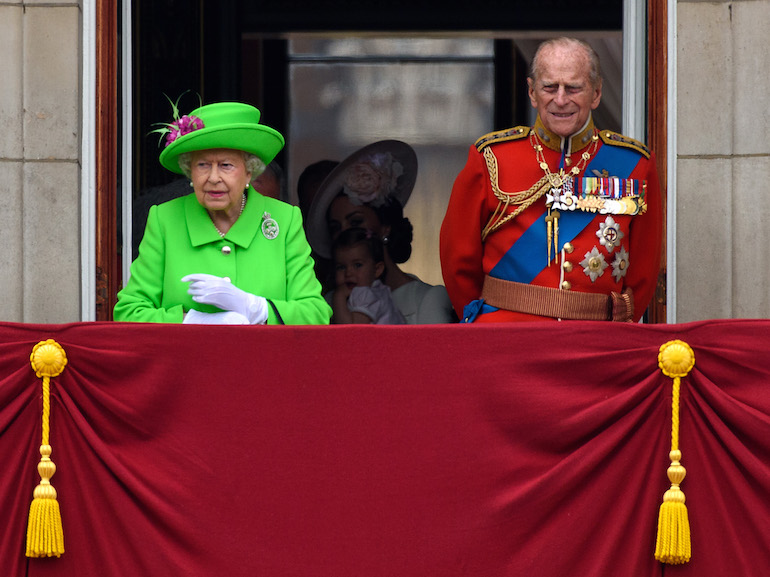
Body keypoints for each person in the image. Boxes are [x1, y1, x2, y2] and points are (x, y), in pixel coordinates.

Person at [440, 37, 662, 323]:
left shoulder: (635, 164)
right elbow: (458, 263)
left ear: (596, 93)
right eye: (549, 87)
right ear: (532, 92)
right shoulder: (492, 158)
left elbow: (642, 275)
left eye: (573, 88)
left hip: (595, 341)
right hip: (506, 338)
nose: (560, 100)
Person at [114, 101, 331, 325]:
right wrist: (190, 321)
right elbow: (129, 312)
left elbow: (315, 314)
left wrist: (255, 308)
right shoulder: (165, 220)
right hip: (187, 359)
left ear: (249, 173)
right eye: (203, 165)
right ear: (190, 173)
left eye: (226, 165)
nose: (214, 178)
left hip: (262, 359)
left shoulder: (284, 220)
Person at [306, 140, 456, 325]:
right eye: (336, 228)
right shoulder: (326, 303)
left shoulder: (427, 298)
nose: (346, 232)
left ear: (386, 225)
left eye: (356, 222)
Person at [331, 227, 405, 325]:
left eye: (358, 265)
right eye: (341, 267)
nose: (348, 273)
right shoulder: (379, 291)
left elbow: (351, 333)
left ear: (377, 269)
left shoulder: (365, 294)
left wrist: (338, 297)